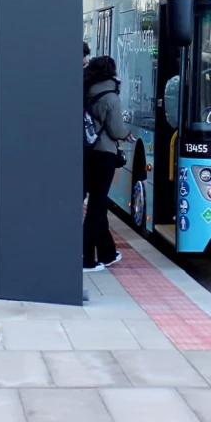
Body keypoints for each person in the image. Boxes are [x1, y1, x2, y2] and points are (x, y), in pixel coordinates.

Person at [83, 56, 134, 272]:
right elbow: (116, 130)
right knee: (97, 205)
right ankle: (86, 257)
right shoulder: (110, 97)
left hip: (85, 153)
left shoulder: (84, 89)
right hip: (103, 154)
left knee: (98, 203)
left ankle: (108, 252)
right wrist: (127, 135)